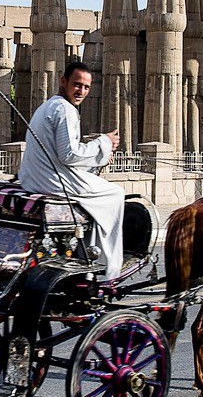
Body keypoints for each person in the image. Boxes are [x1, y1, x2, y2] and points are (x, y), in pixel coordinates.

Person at [18, 61, 125, 279]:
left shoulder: (49, 105)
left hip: (36, 178)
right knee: (115, 194)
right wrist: (104, 142)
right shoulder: (65, 110)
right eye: (77, 85)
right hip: (53, 181)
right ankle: (107, 265)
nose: (82, 91)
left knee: (98, 194)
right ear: (63, 81)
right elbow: (69, 155)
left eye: (86, 87)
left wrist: (99, 155)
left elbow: (62, 154)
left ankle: (88, 252)